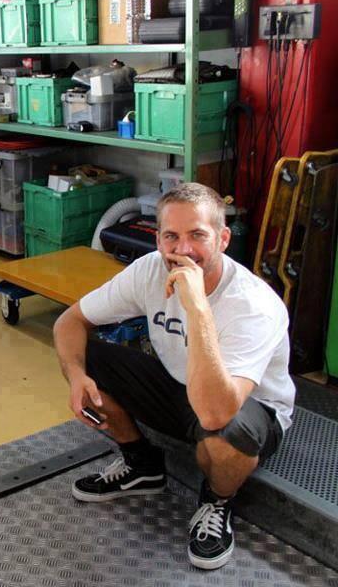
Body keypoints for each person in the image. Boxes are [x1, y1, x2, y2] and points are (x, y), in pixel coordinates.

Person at [52, 182, 294, 570]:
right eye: (171, 236)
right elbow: (70, 322)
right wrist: (78, 375)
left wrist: (197, 307)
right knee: (90, 355)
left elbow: (216, 413)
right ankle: (142, 464)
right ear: (158, 238)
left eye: (197, 235)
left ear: (223, 238)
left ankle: (217, 501)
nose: (182, 250)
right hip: (182, 387)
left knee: (225, 437)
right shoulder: (148, 269)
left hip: (244, 407)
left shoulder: (253, 305)